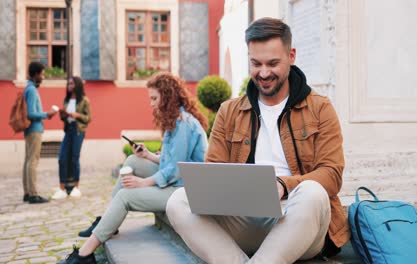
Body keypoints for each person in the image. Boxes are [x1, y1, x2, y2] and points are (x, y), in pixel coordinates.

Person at [165, 17, 350, 263]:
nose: (263, 73)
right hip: (242, 220)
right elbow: (212, 175)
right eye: (256, 63)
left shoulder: (320, 108)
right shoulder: (228, 111)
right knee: (177, 201)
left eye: (273, 63)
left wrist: (284, 185)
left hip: (299, 222)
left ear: (291, 56)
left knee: (313, 192)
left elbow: (332, 175)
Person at [58, 72, 209, 264]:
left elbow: (174, 170)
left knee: (125, 196)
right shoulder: (177, 121)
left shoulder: (184, 124)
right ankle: (108, 222)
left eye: (154, 98)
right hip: (177, 180)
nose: (151, 103)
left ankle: (84, 255)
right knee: (132, 161)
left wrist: (143, 183)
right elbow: (169, 161)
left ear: (167, 96)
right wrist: (147, 156)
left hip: (184, 190)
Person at [23, 61, 58, 204]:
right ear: (36, 74)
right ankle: (33, 194)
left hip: (30, 130)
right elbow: (31, 113)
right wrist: (47, 114)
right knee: (33, 161)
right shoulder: (31, 90)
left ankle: (27, 192)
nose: (43, 77)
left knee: (28, 160)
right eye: (42, 74)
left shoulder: (28, 88)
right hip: (34, 129)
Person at [52, 76, 91, 199]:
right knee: (62, 158)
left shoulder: (84, 100)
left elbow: (88, 118)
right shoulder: (66, 100)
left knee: (74, 157)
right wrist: (63, 114)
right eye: (68, 83)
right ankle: (62, 188)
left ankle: (76, 187)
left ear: (77, 85)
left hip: (78, 130)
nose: (69, 86)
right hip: (68, 130)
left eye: (71, 83)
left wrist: (76, 114)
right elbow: (64, 118)